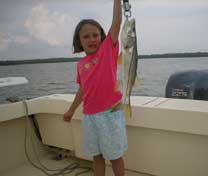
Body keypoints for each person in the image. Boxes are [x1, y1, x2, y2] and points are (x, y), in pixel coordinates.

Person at [63, 0, 127, 176]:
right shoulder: (81, 64)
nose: (91, 39)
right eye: (86, 36)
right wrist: (70, 110)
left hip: (111, 114)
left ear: (102, 36)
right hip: (90, 117)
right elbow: (82, 90)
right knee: (97, 156)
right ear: (79, 41)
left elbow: (116, 23)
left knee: (115, 156)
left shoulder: (107, 50)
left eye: (95, 35)